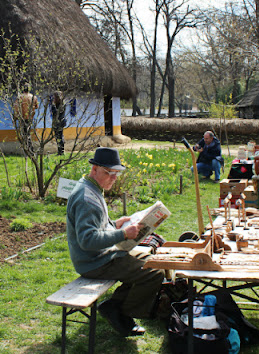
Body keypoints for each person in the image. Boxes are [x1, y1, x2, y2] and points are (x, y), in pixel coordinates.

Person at [66, 148, 165, 337]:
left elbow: (97, 225)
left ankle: (114, 305)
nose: (113, 178)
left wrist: (114, 224)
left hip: (101, 256)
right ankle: (124, 313)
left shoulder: (91, 187)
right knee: (154, 272)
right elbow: (87, 240)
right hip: (94, 262)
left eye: (116, 173)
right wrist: (122, 234)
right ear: (94, 169)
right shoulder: (87, 198)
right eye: (108, 173)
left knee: (150, 259)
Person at [13, 87, 39, 154]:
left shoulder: (20, 97)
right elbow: (36, 106)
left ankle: (29, 150)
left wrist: (15, 117)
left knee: (25, 134)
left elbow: (16, 107)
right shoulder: (33, 97)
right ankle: (30, 149)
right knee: (28, 133)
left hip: (23, 118)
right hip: (30, 117)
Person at [50, 91, 66, 155]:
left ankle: (61, 151)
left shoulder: (61, 105)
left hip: (59, 122)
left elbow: (57, 113)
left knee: (59, 136)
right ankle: (60, 151)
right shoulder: (60, 104)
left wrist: (53, 105)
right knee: (58, 136)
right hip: (58, 122)